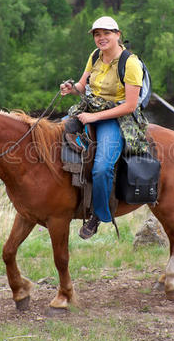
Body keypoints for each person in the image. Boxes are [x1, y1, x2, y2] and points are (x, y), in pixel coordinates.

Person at [60, 16, 145, 239]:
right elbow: (82, 86)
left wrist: (95, 118)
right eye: (97, 34)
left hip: (116, 117)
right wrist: (71, 88)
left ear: (118, 34)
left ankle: (99, 214)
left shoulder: (130, 63)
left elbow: (130, 105)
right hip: (90, 109)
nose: (101, 38)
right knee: (53, 135)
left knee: (102, 168)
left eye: (106, 33)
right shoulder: (96, 55)